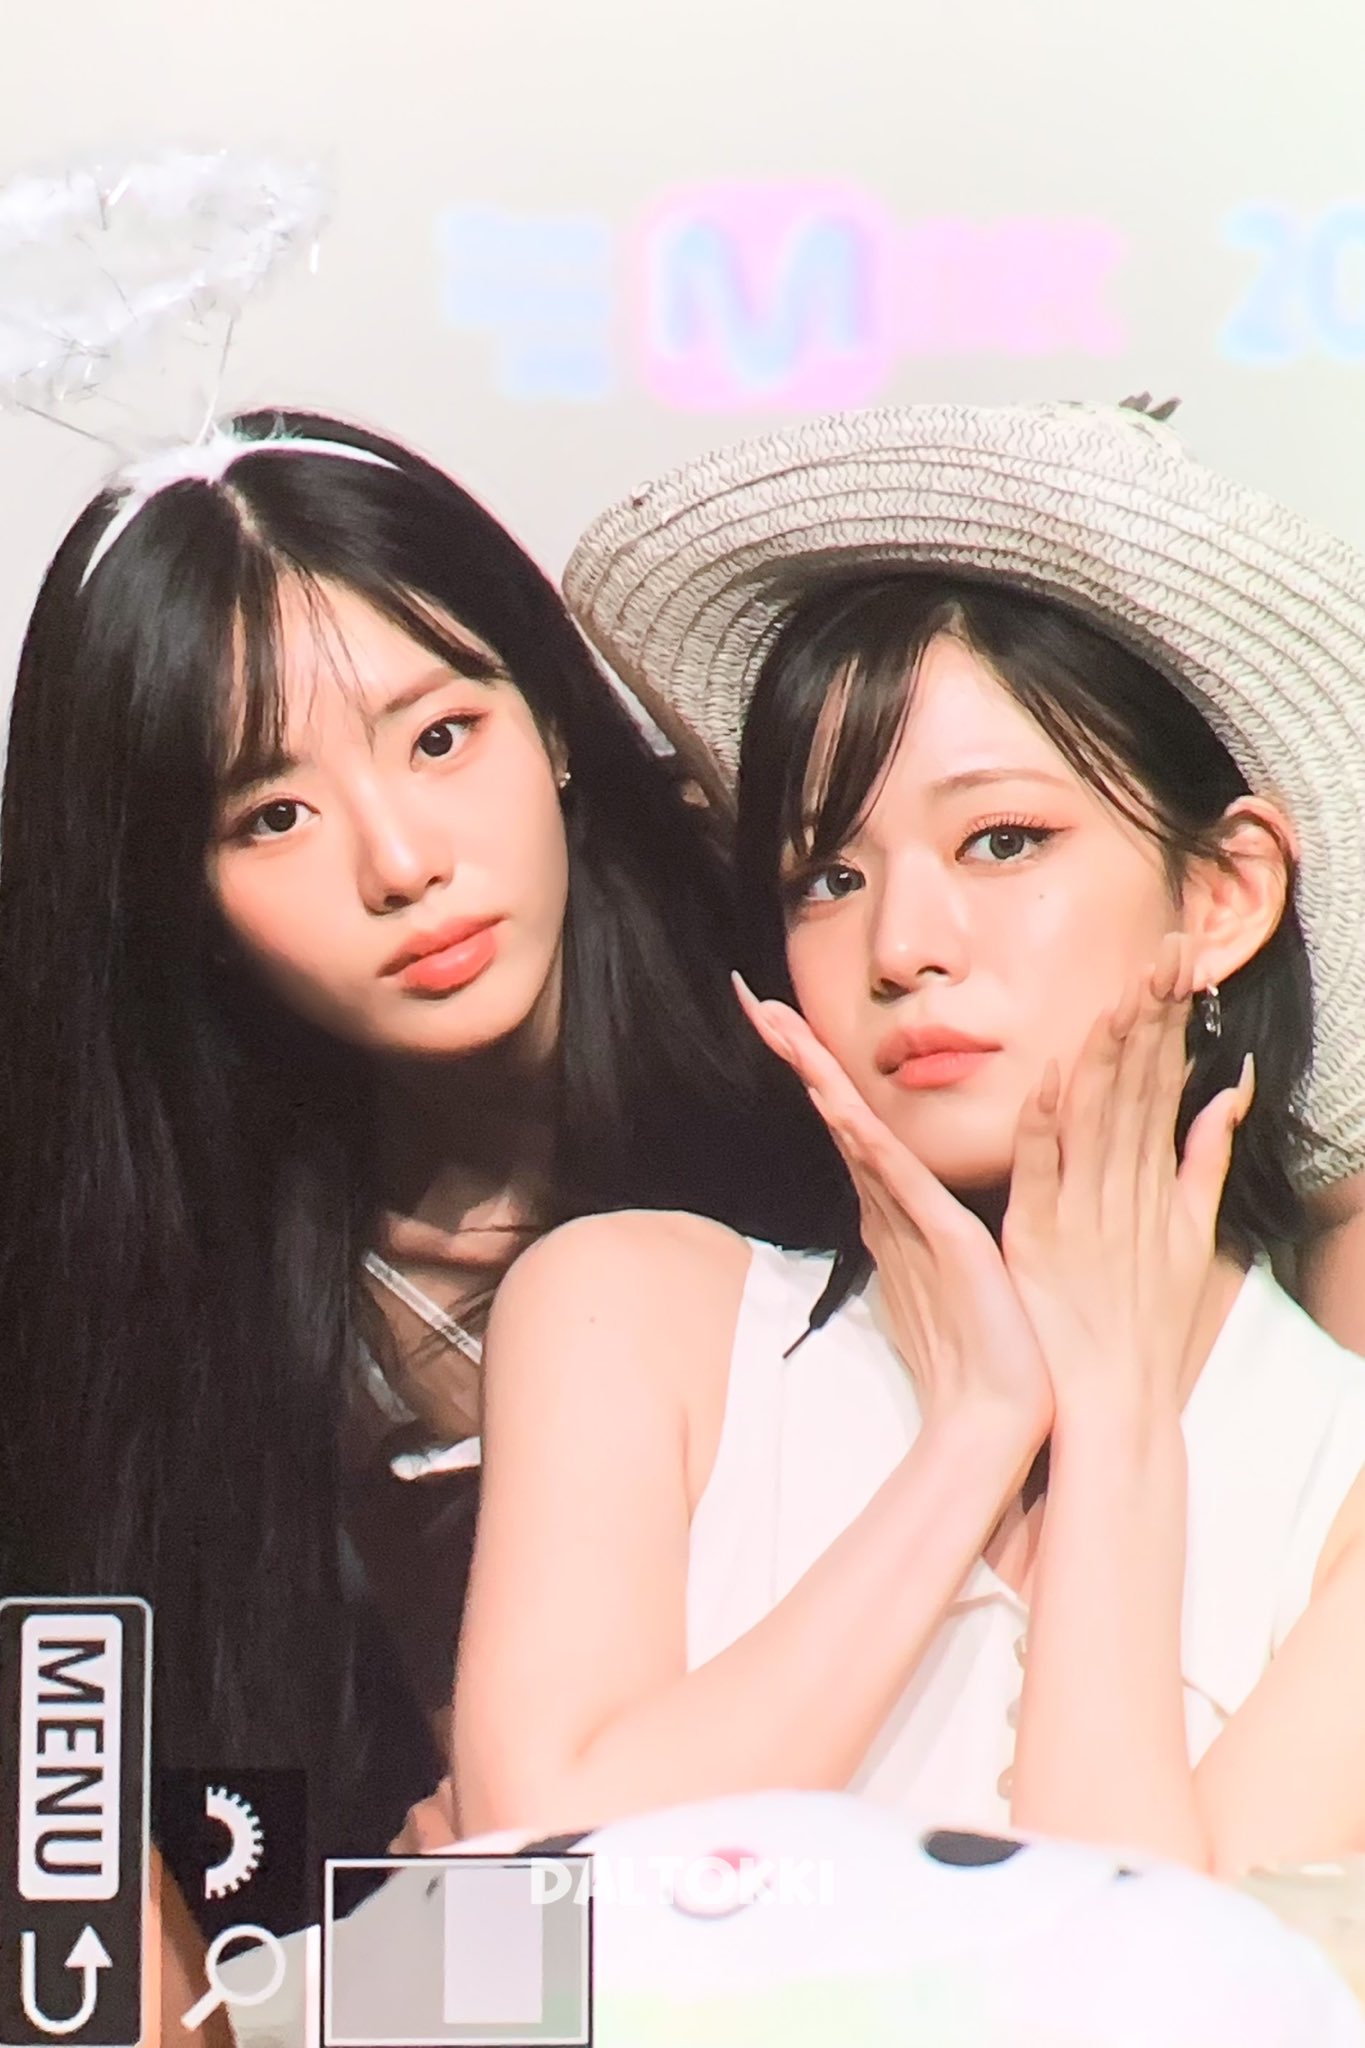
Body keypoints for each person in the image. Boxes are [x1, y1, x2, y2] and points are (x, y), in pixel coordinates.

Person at [451, 397, 1365, 1876]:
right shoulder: (634, 1316)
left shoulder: (1340, 1487)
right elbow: (543, 1892)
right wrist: (976, 1431)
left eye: (1002, 841)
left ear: (1224, 896)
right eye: (827, 874)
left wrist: (1115, 1422)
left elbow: (1142, 1977)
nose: (901, 946)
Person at [0, 408, 847, 1925]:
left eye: (442, 737)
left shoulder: (825, 1045)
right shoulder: (155, 1309)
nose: (401, 863)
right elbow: (152, 1933)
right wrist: (409, 1951)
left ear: (555, 722)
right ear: (176, 898)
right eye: (274, 815)